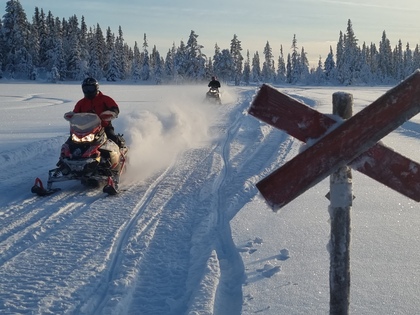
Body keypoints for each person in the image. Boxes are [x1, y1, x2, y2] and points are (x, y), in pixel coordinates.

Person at [73, 77, 123, 147]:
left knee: (113, 139)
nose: (88, 91)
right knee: (71, 142)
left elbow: (115, 108)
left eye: (90, 88)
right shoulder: (81, 103)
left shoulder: (105, 99)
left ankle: (120, 152)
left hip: (104, 127)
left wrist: (111, 113)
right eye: (86, 89)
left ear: (96, 88)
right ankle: (66, 156)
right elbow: (75, 114)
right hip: (85, 130)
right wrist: (71, 117)